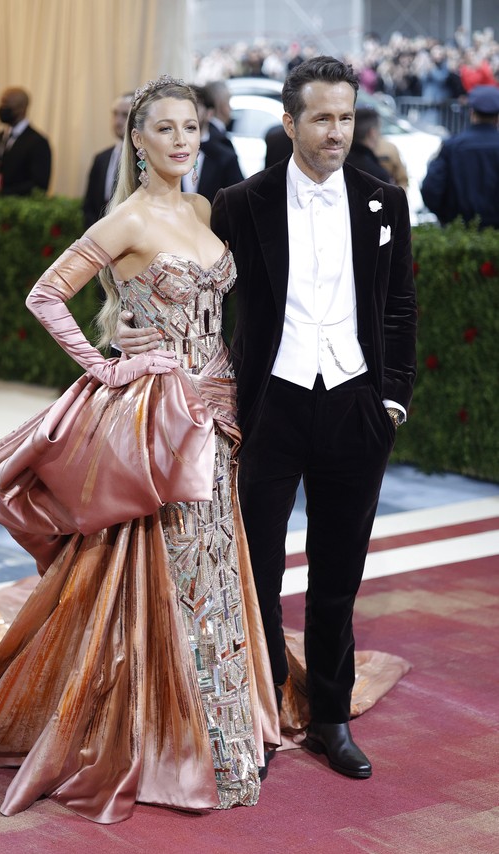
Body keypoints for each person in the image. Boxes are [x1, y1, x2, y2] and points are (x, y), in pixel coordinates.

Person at [0, 75, 279, 824]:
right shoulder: (127, 219)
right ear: (137, 142)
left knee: (212, 567)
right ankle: (171, 736)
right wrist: (107, 361)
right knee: (169, 569)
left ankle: (220, 732)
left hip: (218, 405)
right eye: (166, 130)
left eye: (191, 128)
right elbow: (46, 294)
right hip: (160, 414)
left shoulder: (203, 207)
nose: (183, 141)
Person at [117, 56, 418, 780]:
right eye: (321, 117)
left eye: (345, 116)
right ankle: (255, 714)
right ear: (289, 122)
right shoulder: (239, 203)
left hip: (356, 407)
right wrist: (137, 330)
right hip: (270, 406)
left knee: (340, 574)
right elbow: (193, 289)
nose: (336, 130)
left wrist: (391, 401)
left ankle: (331, 718)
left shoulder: (385, 202)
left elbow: (401, 307)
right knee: (254, 571)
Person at [420, 84, 499, 228]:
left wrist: (447, 218)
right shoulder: (452, 146)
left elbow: (431, 189)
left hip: (460, 229)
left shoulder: (452, 146)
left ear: (472, 113)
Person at [181, 84, 243, 203]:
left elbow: (238, 200)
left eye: (195, 106)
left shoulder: (226, 156)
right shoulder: (167, 153)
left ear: (209, 113)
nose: (187, 112)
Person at [0, 87, 51, 196]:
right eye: (1, 103)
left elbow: (39, 185)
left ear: (22, 108)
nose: (2, 108)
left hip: (20, 208)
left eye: (6, 104)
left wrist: (3, 193)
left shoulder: (38, 142)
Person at [82, 92, 132, 228]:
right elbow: (89, 205)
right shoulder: (101, 158)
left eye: (124, 115)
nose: (117, 121)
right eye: (115, 114)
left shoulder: (147, 160)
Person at [345, 107, 393, 184]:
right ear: (372, 133)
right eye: (379, 130)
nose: (380, 135)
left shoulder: (339, 165)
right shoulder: (378, 175)